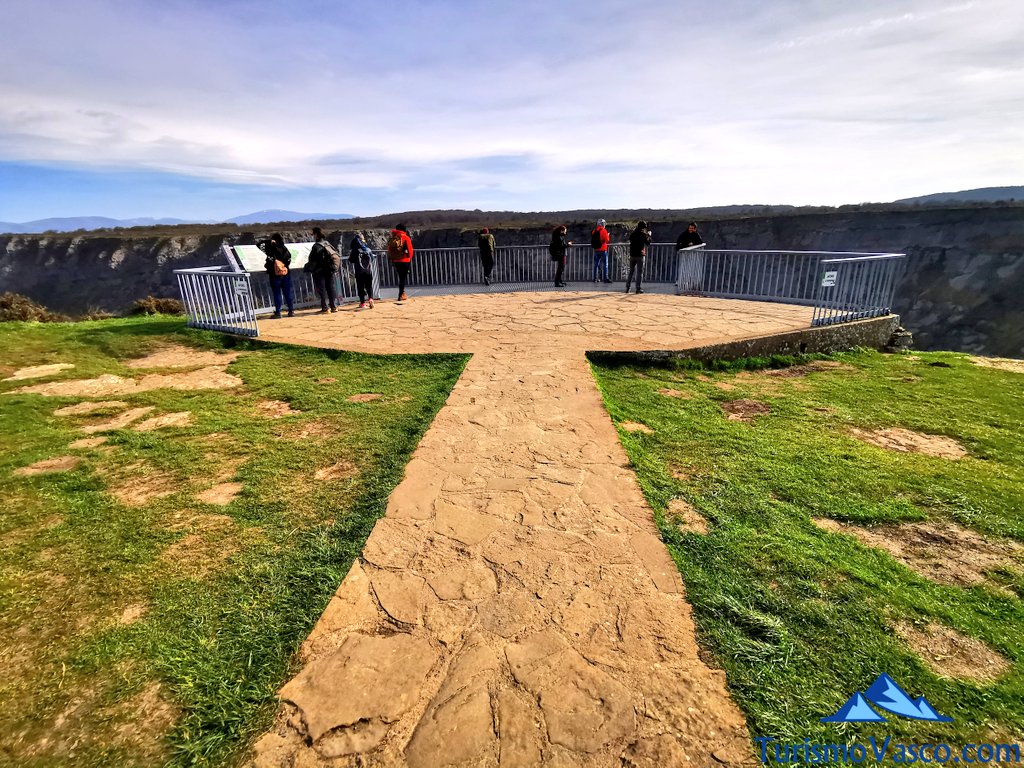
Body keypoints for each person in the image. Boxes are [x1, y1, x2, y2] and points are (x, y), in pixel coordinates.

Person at [305, 226, 339, 313]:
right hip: (329, 269)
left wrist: (310, 268)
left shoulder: (316, 246)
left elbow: (312, 259)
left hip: (320, 271)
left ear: (316, 235)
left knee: (322, 289)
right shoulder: (327, 244)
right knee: (331, 288)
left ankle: (325, 307)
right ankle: (334, 306)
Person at [263, 233, 294, 318]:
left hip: (274, 275)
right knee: (287, 292)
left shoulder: (271, 250)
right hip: (285, 273)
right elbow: (288, 259)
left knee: (277, 293)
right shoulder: (285, 249)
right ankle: (291, 311)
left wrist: (270, 242)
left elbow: (260, 245)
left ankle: (278, 312)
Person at [387, 223, 414, 302]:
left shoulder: (393, 237)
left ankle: (402, 293)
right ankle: (401, 294)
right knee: (402, 278)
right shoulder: (406, 237)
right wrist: (409, 257)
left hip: (396, 260)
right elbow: (410, 250)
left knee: (401, 277)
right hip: (405, 260)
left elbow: (389, 250)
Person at [349, 233, 375, 309]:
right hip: (368, 271)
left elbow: (351, 260)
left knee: (360, 287)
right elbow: (372, 259)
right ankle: (371, 299)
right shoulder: (367, 249)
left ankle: (363, 303)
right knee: (369, 286)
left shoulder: (355, 250)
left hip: (359, 272)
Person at [625, 220, 652, 294]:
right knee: (639, 272)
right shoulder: (643, 234)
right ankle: (638, 288)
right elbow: (648, 243)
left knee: (631, 271)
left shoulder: (633, 233)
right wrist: (649, 235)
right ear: (643, 227)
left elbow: (630, 240)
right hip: (640, 255)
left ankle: (628, 288)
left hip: (632, 254)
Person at [590, 218, 611, 283]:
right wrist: (607, 235)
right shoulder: (603, 231)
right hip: (603, 249)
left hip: (596, 250)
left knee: (596, 265)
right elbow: (607, 240)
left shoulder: (594, 231)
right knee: (605, 264)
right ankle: (605, 278)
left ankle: (595, 278)